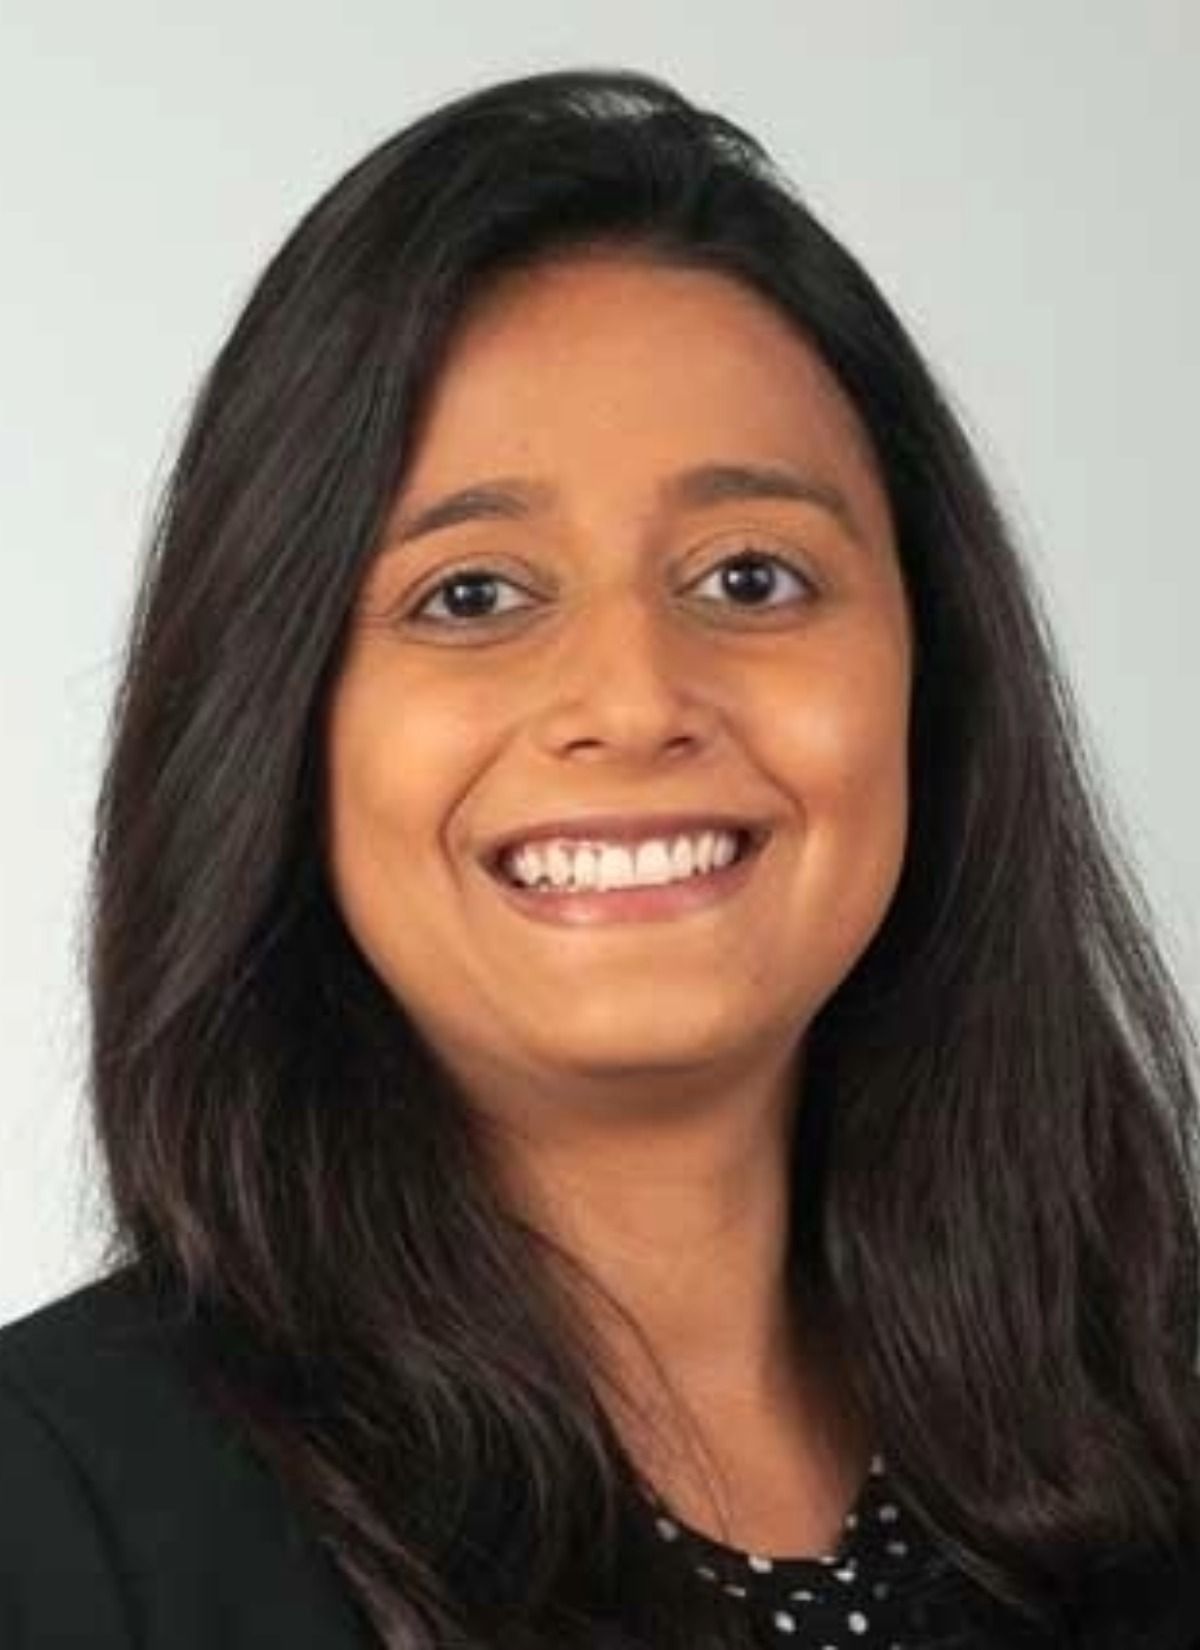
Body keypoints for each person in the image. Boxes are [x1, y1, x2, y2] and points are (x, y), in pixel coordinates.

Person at [1, 66, 1197, 1650]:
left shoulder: (1161, 1423)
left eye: (752, 576)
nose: (634, 701)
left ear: (936, 674)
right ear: (276, 721)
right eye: (473, 595)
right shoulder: (51, 1514)